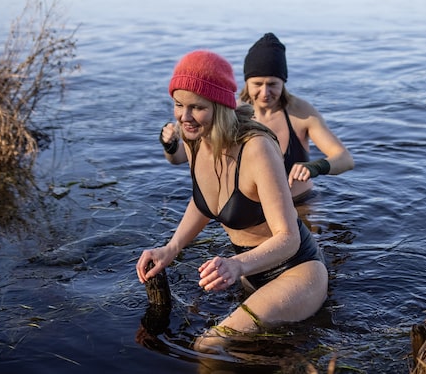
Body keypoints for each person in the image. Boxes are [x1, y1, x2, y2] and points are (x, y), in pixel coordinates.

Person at [138, 50, 328, 353]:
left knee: (209, 345)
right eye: (178, 105)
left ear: (220, 106)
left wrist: (235, 265)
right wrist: (170, 248)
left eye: (197, 107)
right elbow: (204, 202)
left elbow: (289, 238)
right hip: (250, 273)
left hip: (296, 271)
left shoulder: (256, 148)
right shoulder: (194, 138)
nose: (184, 117)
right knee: (252, 356)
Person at [161, 33, 354, 204]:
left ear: (283, 82)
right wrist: (170, 145)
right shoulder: (230, 113)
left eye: (272, 84)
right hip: (250, 211)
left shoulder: (301, 112)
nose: (264, 92)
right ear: (246, 82)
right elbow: (180, 158)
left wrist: (315, 167)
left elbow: (345, 159)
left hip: (301, 203)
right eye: (257, 84)